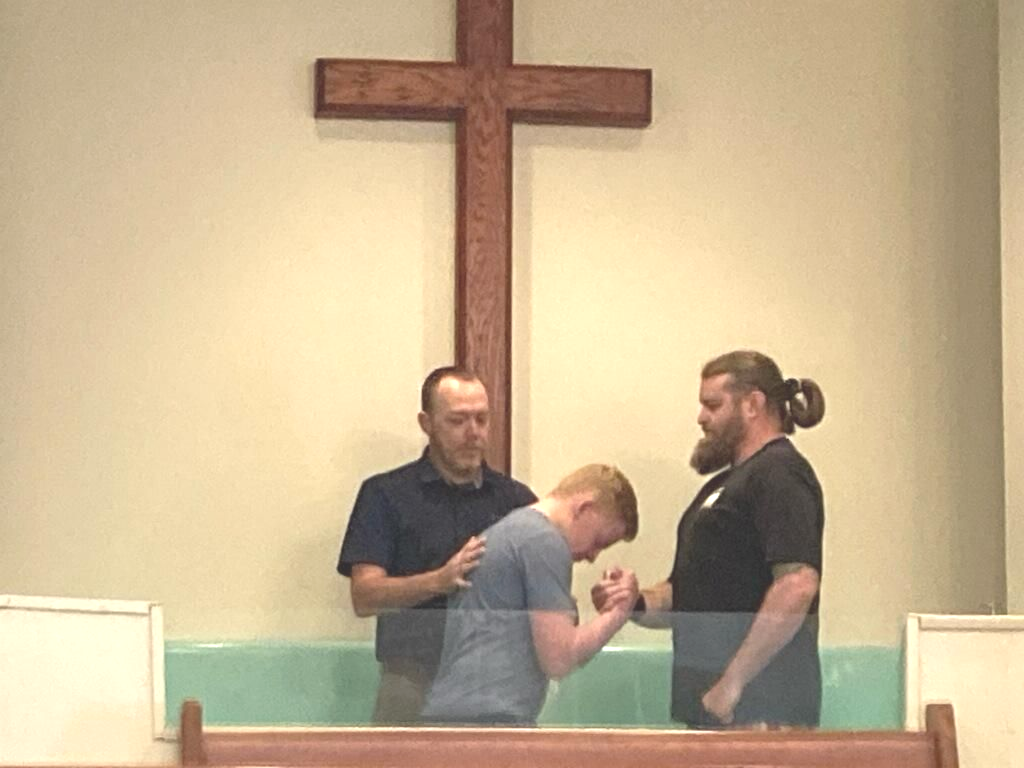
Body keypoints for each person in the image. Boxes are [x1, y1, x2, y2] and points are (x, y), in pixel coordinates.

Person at [594, 350, 825, 728]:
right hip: (712, 710)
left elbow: (797, 584)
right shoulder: (722, 486)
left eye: (713, 405)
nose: (701, 418)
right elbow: (689, 594)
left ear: (753, 405)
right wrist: (633, 602)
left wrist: (733, 683)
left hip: (760, 714)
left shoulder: (780, 473)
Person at [336, 366, 537, 724]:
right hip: (412, 681)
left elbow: (541, 597)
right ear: (426, 423)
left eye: (481, 419)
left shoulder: (516, 501)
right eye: (457, 421)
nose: (473, 433)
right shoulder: (385, 495)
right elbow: (364, 596)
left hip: (497, 687)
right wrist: (438, 581)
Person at [421, 464, 640, 726]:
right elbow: (559, 659)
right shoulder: (544, 541)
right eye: (599, 541)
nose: (593, 556)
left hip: (460, 712)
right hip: (489, 720)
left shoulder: (513, 530)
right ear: (585, 508)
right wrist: (619, 611)